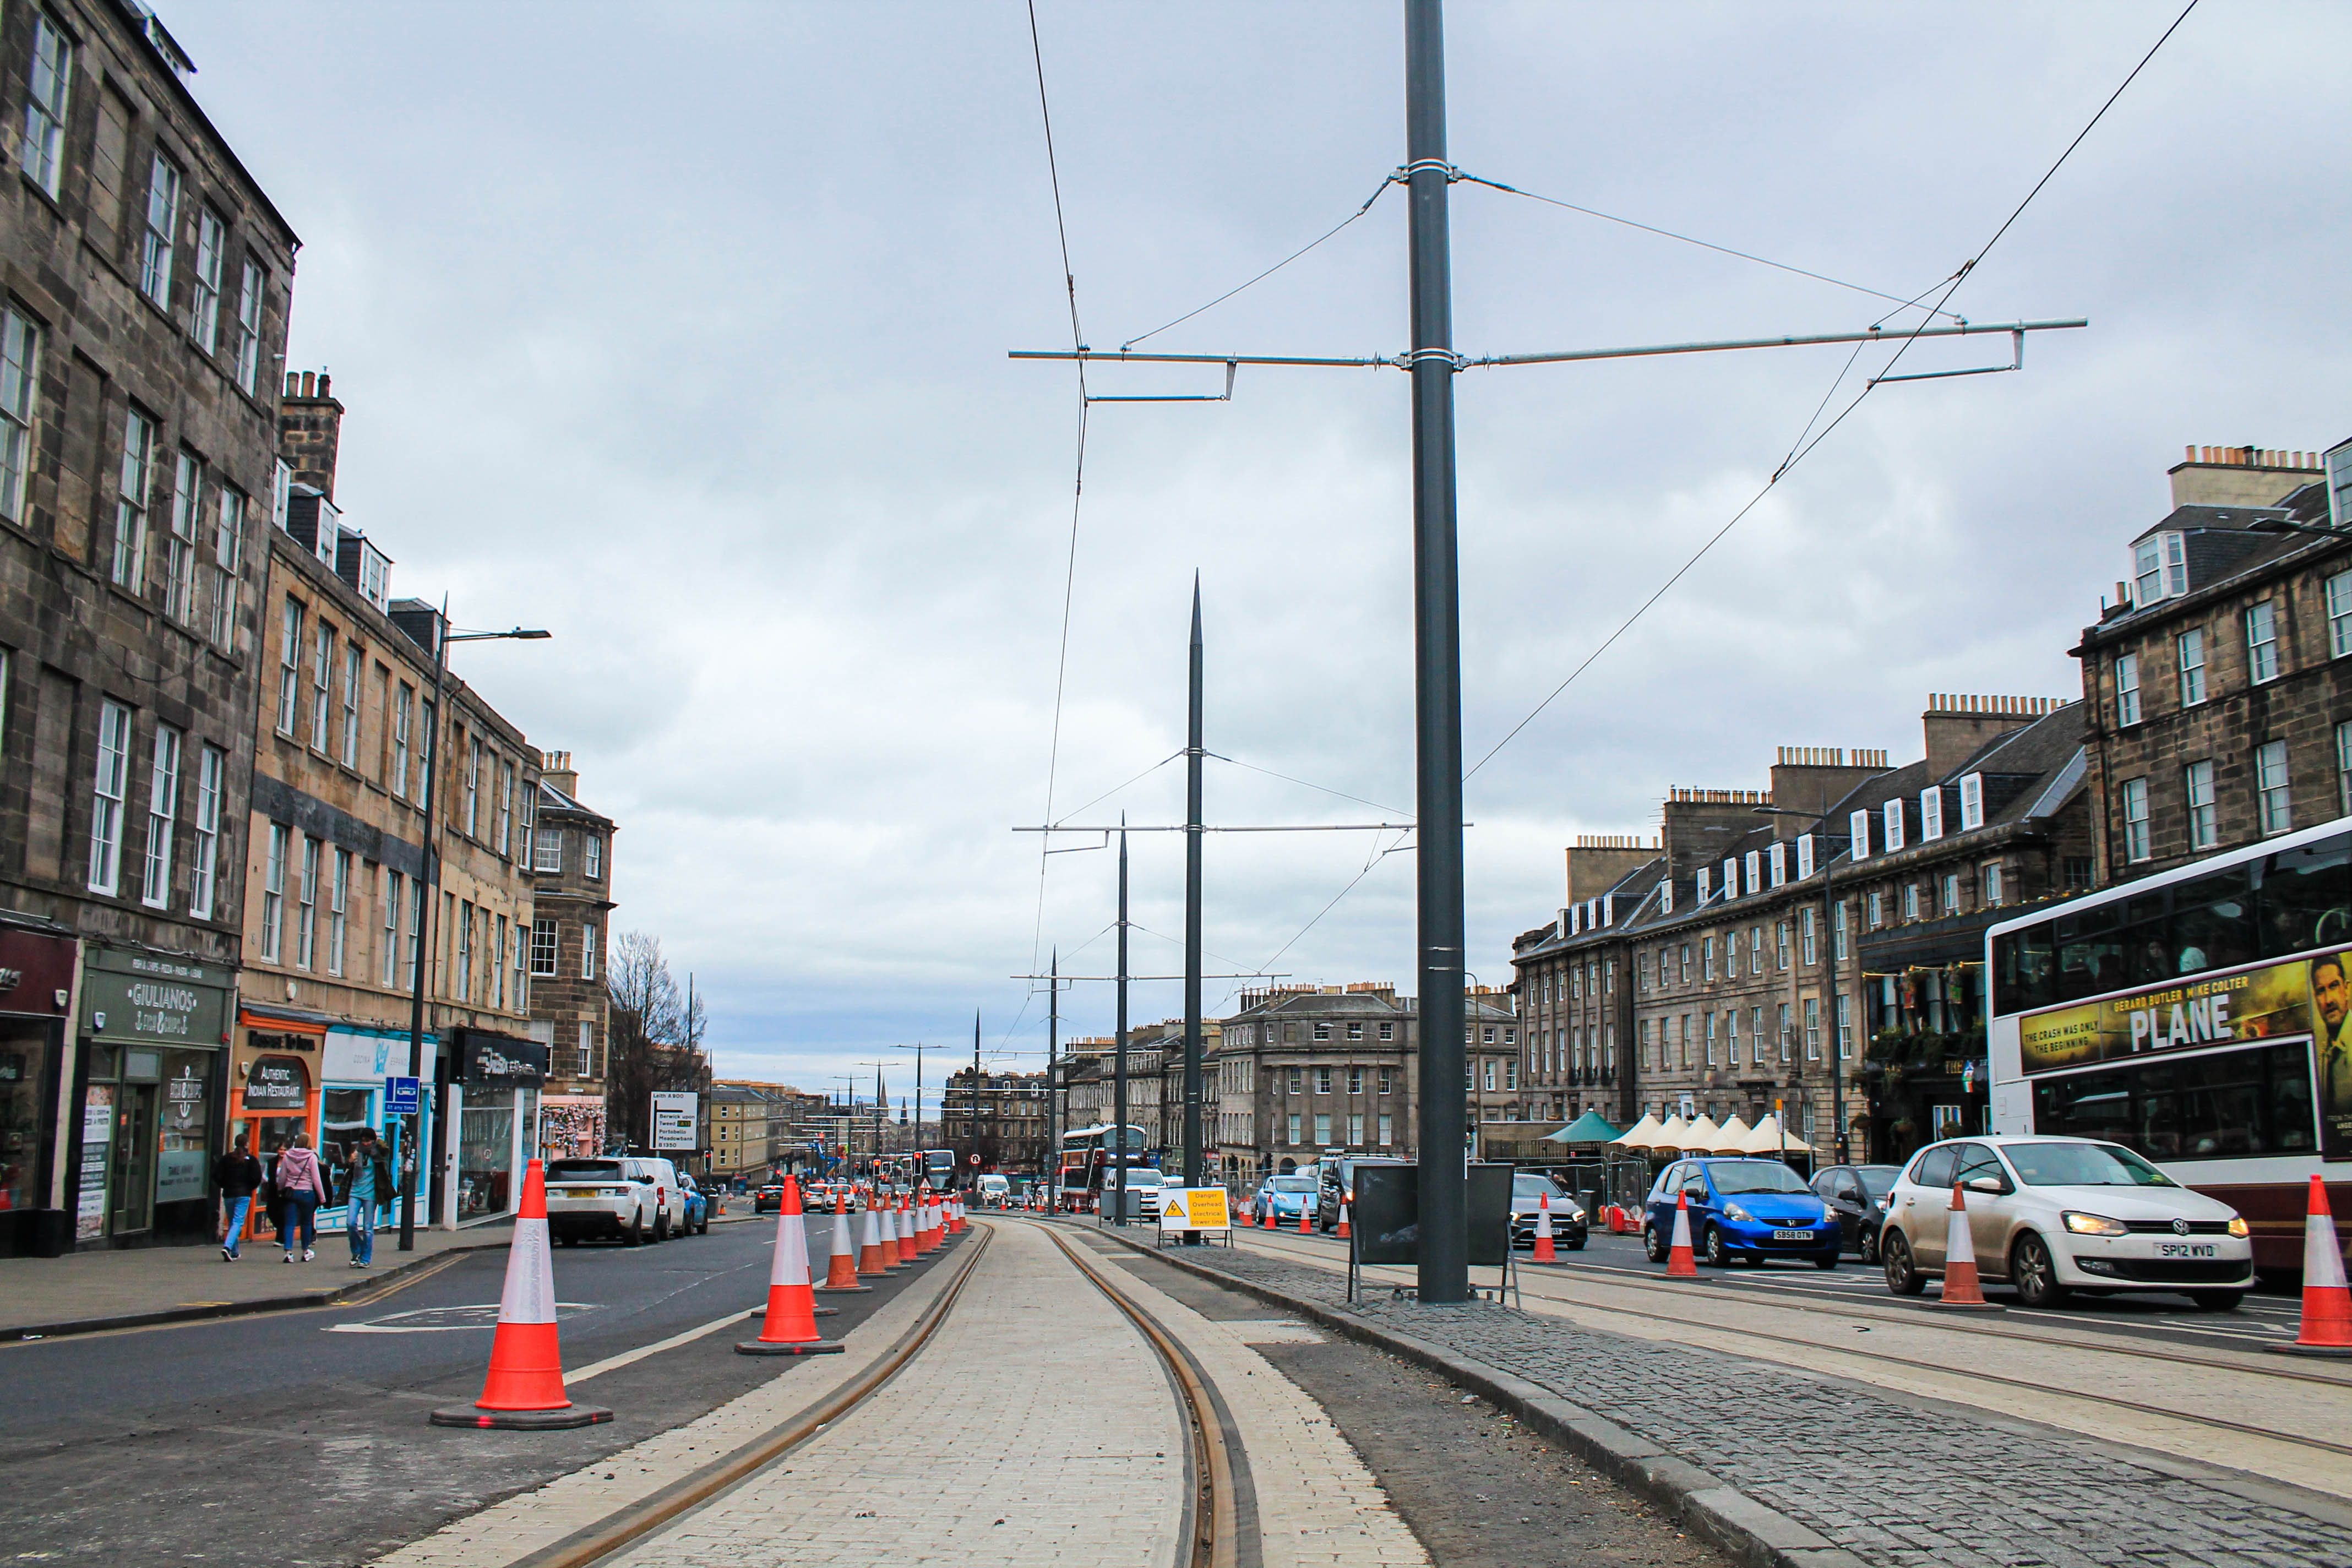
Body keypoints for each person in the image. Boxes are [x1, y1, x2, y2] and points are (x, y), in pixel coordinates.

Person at [274, 1131, 328, 1263]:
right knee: (306, 1223)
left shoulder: (288, 1156)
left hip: (291, 1193)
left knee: (290, 1223)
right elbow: (316, 1179)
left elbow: (282, 1176)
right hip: (306, 1193)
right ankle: (305, 1251)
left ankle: (288, 1252)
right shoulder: (312, 1157)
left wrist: (281, 1189)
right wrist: (322, 1197)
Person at [344, 1128, 392, 1269]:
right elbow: (347, 1168)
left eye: (368, 1141)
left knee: (367, 1228)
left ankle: (365, 1259)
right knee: (350, 1223)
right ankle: (357, 1250)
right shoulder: (356, 1151)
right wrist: (350, 1161)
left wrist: (376, 1142)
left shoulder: (377, 1153)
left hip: (371, 1195)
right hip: (355, 1192)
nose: (365, 1143)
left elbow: (386, 1149)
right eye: (363, 1141)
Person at [213, 1135, 263, 1262]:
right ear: (247, 1144)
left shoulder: (226, 1159)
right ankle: (228, 1246)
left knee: (232, 1222)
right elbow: (256, 1178)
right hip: (243, 1194)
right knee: (238, 1222)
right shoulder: (251, 1160)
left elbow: (217, 1175)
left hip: (229, 1194)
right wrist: (249, 1188)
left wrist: (225, 1185)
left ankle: (235, 1252)